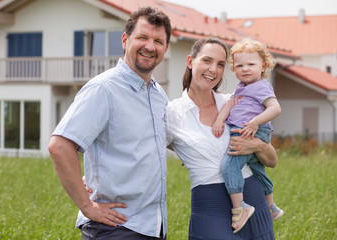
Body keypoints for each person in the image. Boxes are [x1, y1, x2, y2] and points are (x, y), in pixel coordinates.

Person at [48, 6, 171, 240]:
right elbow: (59, 145)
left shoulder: (157, 94)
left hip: (152, 226)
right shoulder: (103, 89)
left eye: (158, 41)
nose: (150, 46)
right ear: (125, 40)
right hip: (116, 229)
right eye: (142, 37)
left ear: (165, 48)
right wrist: (87, 207)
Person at [166, 38, 278, 239]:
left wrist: (257, 145)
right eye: (207, 60)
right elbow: (146, 146)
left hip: (254, 201)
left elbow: (272, 161)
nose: (213, 70)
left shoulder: (234, 103)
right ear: (191, 61)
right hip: (209, 207)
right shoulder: (172, 113)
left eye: (220, 64)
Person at [212, 38, 283, 233]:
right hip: (246, 128)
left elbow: (275, 108)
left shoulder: (261, 86)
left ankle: (239, 207)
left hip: (252, 130)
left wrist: (256, 122)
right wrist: (219, 120)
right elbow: (230, 103)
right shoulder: (241, 87)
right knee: (257, 170)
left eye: (251, 64)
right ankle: (271, 207)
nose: (245, 69)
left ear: (263, 66)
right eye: (239, 65)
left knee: (229, 165)